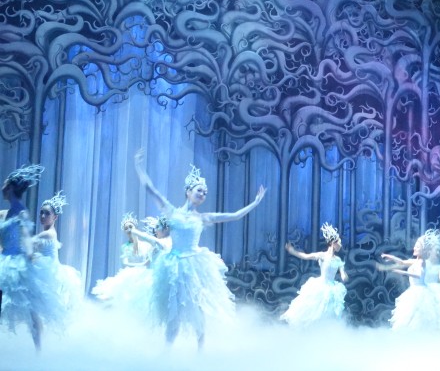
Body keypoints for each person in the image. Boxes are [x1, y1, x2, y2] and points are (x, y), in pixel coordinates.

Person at [134, 149, 265, 349]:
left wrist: (255, 203)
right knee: (174, 310)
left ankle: (200, 351)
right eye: (199, 190)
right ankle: (166, 351)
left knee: (198, 307)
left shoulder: (203, 217)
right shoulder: (171, 212)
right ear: (188, 192)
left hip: (195, 265)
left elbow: (235, 215)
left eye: (205, 193)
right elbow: (150, 189)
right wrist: (139, 166)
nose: (203, 194)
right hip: (174, 265)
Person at [379, 229, 440, 331]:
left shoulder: (422, 262)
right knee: (411, 314)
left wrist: (403, 273)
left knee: (419, 315)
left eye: (417, 246)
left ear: (423, 250)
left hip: (420, 291)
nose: (414, 248)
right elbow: (402, 262)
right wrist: (390, 257)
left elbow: (419, 275)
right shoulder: (415, 261)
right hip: (414, 291)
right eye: (415, 246)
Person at [0, 164, 46, 351]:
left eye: (4, 184)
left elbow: (26, 234)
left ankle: (39, 350)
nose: (2, 187)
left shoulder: (20, 211)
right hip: (4, 260)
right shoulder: (7, 212)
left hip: (16, 264)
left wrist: (30, 254)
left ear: (10, 188)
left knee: (30, 308)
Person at [30, 191, 84, 331]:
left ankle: (42, 340)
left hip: (49, 274)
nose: (42, 216)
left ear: (55, 217)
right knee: (37, 312)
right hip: (44, 271)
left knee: (40, 311)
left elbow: (28, 244)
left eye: (47, 213)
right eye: (41, 212)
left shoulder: (48, 233)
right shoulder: (46, 232)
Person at [281, 223, 348, 326]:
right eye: (339, 242)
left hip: (332, 290)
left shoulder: (338, 260)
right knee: (313, 309)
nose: (341, 245)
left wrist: (344, 276)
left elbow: (343, 273)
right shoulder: (322, 255)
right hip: (320, 286)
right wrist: (292, 251)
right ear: (333, 243)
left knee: (328, 312)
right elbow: (306, 256)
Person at [91, 213, 153, 311]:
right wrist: (142, 264)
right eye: (126, 228)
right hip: (131, 276)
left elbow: (150, 259)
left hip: (145, 275)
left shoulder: (146, 244)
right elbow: (125, 262)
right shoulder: (125, 247)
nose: (129, 230)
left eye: (130, 227)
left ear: (135, 227)